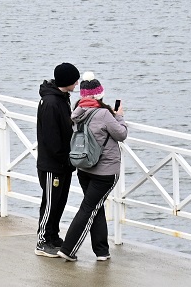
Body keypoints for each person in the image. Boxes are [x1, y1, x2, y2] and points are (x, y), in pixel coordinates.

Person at [58, 72, 127, 264]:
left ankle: (101, 251)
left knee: (95, 207)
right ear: (100, 96)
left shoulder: (77, 112)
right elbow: (121, 134)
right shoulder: (105, 114)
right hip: (105, 173)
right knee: (89, 208)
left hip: (84, 168)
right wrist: (119, 117)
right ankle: (68, 249)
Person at [35, 62, 80, 258]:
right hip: (53, 164)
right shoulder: (52, 103)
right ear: (67, 81)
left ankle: (53, 236)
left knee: (60, 201)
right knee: (51, 202)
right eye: (75, 80)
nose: (77, 83)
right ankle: (42, 240)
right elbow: (52, 138)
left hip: (63, 163)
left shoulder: (62, 98)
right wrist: (64, 159)